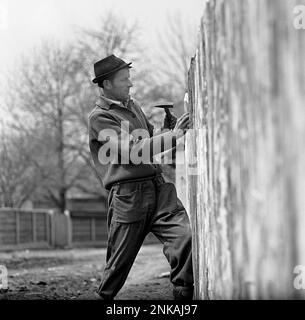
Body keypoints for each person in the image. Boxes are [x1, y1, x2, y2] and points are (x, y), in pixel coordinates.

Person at [88, 54, 193, 300]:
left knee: (185, 238)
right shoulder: (100, 118)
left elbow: (147, 136)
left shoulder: (132, 106)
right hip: (128, 197)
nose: (130, 84)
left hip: (157, 189)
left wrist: (167, 129)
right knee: (117, 266)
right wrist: (174, 136)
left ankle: (184, 298)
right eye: (124, 79)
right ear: (106, 84)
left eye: (129, 78)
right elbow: (133, 151)